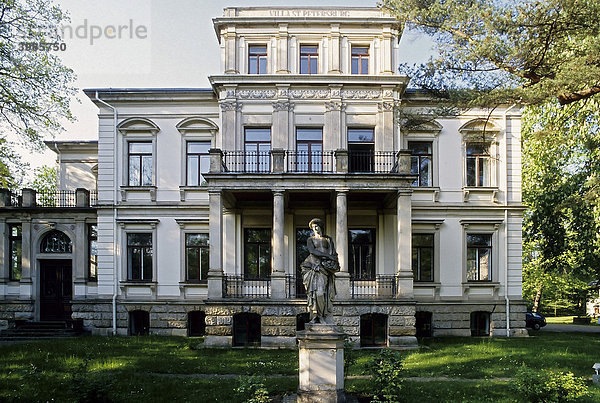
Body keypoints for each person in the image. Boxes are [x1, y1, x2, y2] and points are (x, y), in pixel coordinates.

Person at [301, 218, 339, 324]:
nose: (315, 228)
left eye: (316, 226)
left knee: (322, 293)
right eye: (313, 227)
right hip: (313, 267)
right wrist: (327, 256)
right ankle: (315, 316)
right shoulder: (311, 239)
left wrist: (332, 261)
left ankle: (322, 316)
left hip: (324, 269)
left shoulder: (328, 239)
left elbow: (333, 252)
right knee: (314, 294)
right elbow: (312, 251)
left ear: (320, 227)